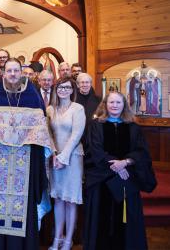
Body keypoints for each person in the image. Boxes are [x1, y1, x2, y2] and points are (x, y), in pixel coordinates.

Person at [0, 58, 54, 250]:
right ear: (4, 73)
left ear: (21, 72)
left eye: (16, 71)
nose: (12, 74)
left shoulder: (33, 97)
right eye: (9, 71)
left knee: (24, 207)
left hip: (25, 162)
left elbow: (40, 133)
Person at [83, 92, 157, 250]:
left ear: (124, 105)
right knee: (101, 220)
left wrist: (125, 162)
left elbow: (142, 152)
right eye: (111, 102)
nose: (114, 105)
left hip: (127, 180)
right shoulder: (96, 125)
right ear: (105, 105)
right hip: (102, 180)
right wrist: (116, 167)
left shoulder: (133, 127)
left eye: (118, 102)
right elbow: (93, 150)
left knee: (127, 222)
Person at [46, 77, 85, 250]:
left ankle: (68, 240)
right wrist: (54, 154)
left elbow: (77, 135)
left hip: (73, 157)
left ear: (72, 90)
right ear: (56, 89)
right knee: (58, 199)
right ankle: (57, 238)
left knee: (70, 200)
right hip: (55, 158)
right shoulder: (50, 109)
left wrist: (63, 157)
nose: (63, 90)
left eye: (67, 87)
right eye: (60, 87)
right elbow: (48, 135)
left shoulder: (78, 109)